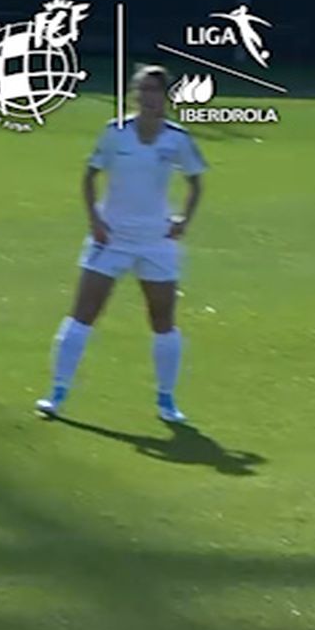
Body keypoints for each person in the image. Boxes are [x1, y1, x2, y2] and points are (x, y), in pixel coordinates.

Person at [37, 64, 206, 424]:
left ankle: (166, 400)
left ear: (166, 97)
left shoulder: (177, 138)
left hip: (155, 241)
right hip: (111, 238)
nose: (148, 98)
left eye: (155, 91)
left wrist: (183, 222)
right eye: (143, 90)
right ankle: (56, 393)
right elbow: (89, 177)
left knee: (162, 320)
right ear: (134, 95)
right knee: (84, 314)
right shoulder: (116, 133)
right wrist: (95, 221)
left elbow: (195, 184)